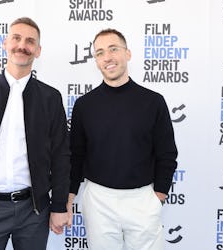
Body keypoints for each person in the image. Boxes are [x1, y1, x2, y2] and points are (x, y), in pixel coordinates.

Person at [0, 17, 70, 250]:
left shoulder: (50, 98)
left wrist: (59, 206)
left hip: (34, 211)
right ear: (6, 43)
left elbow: (61, 156)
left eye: (30, 41)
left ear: (37, 51)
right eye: (16, 38)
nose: (22, 45)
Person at [67, 28, 178, 250]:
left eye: (113, 49)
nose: (107, 57)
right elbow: (75, 156)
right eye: (99, 53)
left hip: (143, 199)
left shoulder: (153, 102)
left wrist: (159, 196)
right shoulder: (84, 105)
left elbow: (167, 153)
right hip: (98, 200)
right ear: (96, 61)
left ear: (128, 54)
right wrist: (68, 198)